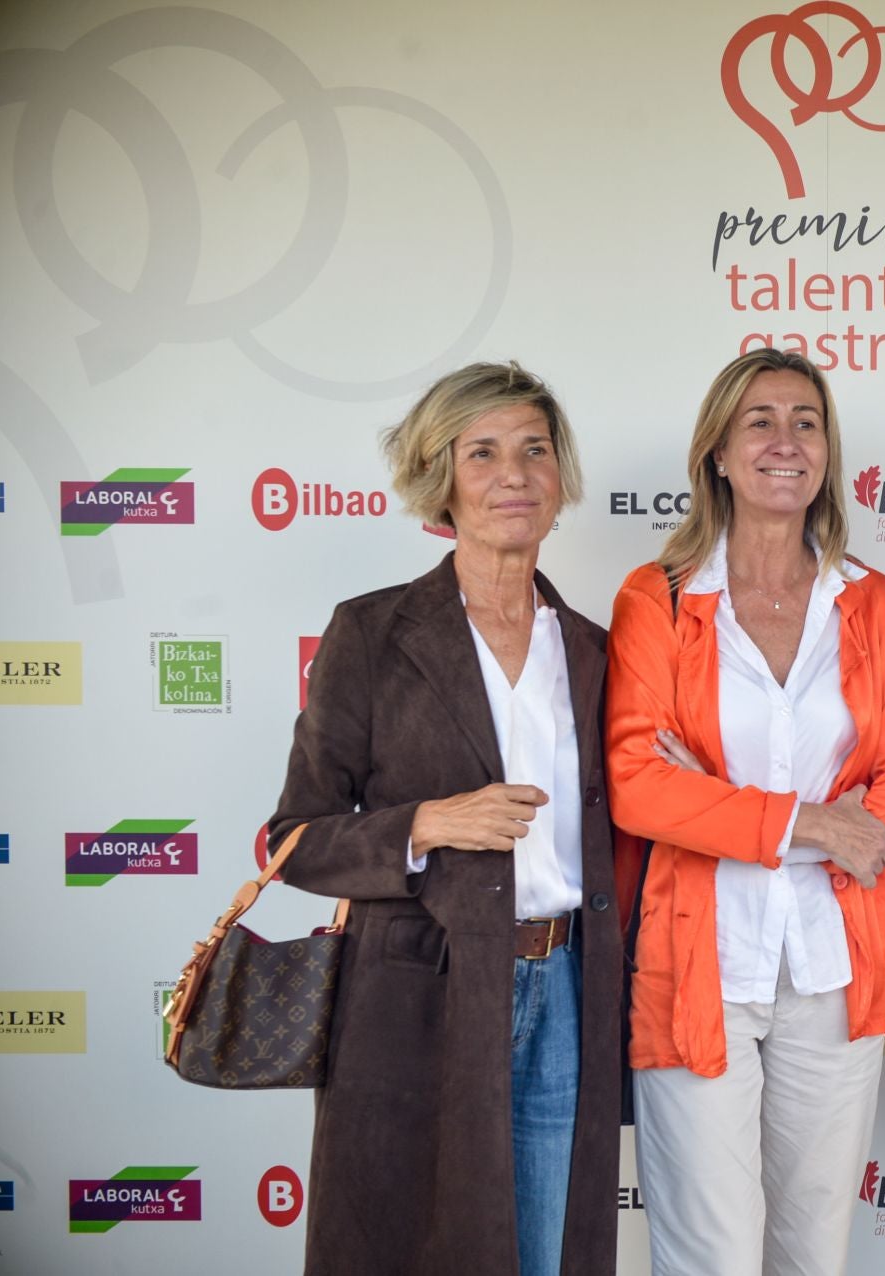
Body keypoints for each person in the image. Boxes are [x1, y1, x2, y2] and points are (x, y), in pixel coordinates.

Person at [269, 362, 621, 1276]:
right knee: (410, 1249)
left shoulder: (594, 649)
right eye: (483, 452)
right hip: (417, 994)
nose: (515, 473)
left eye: (535, 450)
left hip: (567, 990)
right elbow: (294, 841)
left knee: (546, 1252)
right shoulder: (373, 633)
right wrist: (426, 823)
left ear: (559, 480)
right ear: (443, 480)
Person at [604, 347, 885, 1276]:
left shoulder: (869, 602)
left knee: (813, 1251)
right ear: (717, 451)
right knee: (711, 1254)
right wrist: (820, 822)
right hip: (696, 967)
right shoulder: (658, 599)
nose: (785, 441)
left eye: (806, 421)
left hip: (836, 966)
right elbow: (638, 784)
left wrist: (712, 801)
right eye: (760, 420)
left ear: (827, 450)